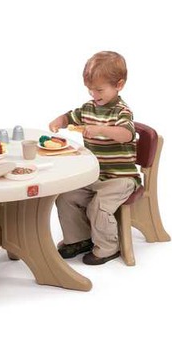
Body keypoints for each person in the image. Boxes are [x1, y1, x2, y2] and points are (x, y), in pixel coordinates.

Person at [48, 51, 141, 265]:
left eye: (99, 89)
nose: (93, 94)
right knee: (65, 197)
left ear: (119, 85)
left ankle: (108, 247)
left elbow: (127, 134)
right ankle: (79, 239)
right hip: (95, 176)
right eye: (90, 89)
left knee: (98, 205)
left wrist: (101, 129)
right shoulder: (88, 108)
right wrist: (59, 121)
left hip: (121, 178)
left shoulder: (121, 111)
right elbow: (69, 117)